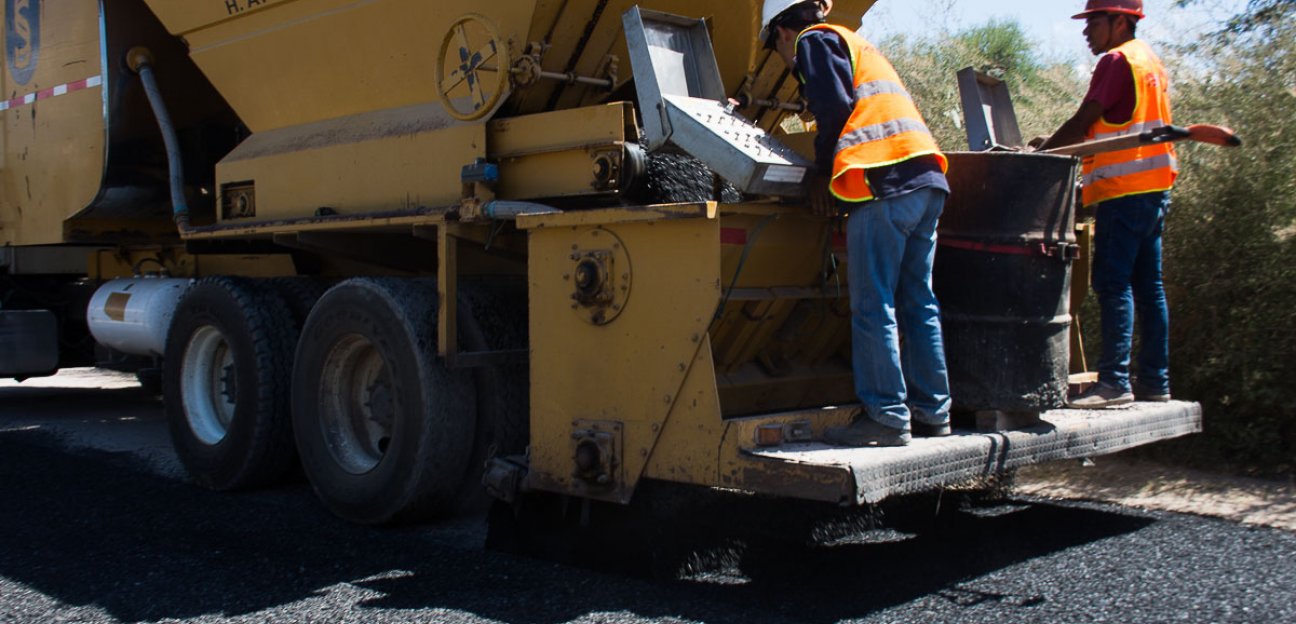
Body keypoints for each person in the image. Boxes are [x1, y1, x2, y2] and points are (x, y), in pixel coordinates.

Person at [759, 0, 952, 446]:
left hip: (884, 186)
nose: (785, 63)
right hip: (925, 181)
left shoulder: (813, 41)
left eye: (776, 51)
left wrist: (822, 177)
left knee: (873, 304)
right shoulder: (855, 42)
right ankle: (932, 411)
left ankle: (885, 417)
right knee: (918, 302)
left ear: (783, 33)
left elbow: (834, 108)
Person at [1035, 0, 1177, 408]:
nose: (1085, 32)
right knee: (1150, 288)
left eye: (1093, 22)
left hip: (1124, 191)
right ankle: (1155, 381)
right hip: (1153, 190)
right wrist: (1054, 145)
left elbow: (1085, 118)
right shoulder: (1149, 61)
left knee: (1113, 285)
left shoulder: (1116, 61)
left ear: (1119, 22)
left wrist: (1040, 157)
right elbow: (1111, 125)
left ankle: (1114, 382)